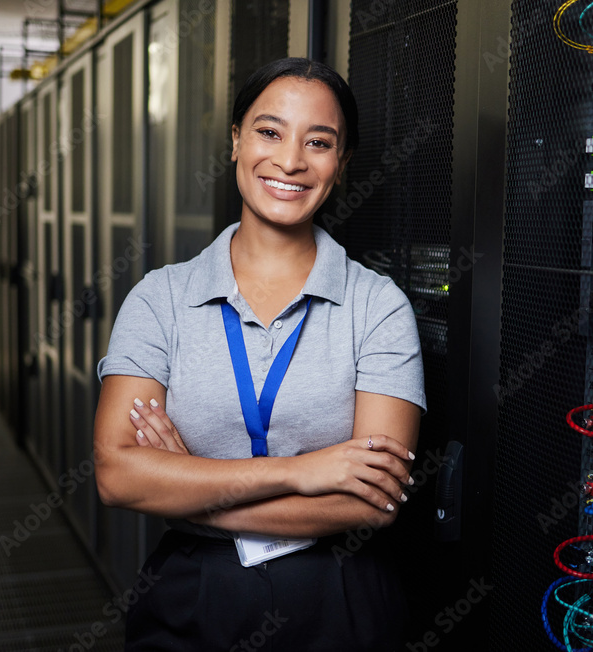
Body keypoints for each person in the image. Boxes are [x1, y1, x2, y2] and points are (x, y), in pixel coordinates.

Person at [93, 57, 427, 651]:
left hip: (341, 597)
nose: (291, 160)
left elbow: (374, 502)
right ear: (236, 141)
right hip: (193, 595)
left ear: (341, 164)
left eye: (318, 142)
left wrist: (193, 494)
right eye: (269, 131)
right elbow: (118, 475)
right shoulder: (160, 298)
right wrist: (300, 471)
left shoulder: (379, 307)